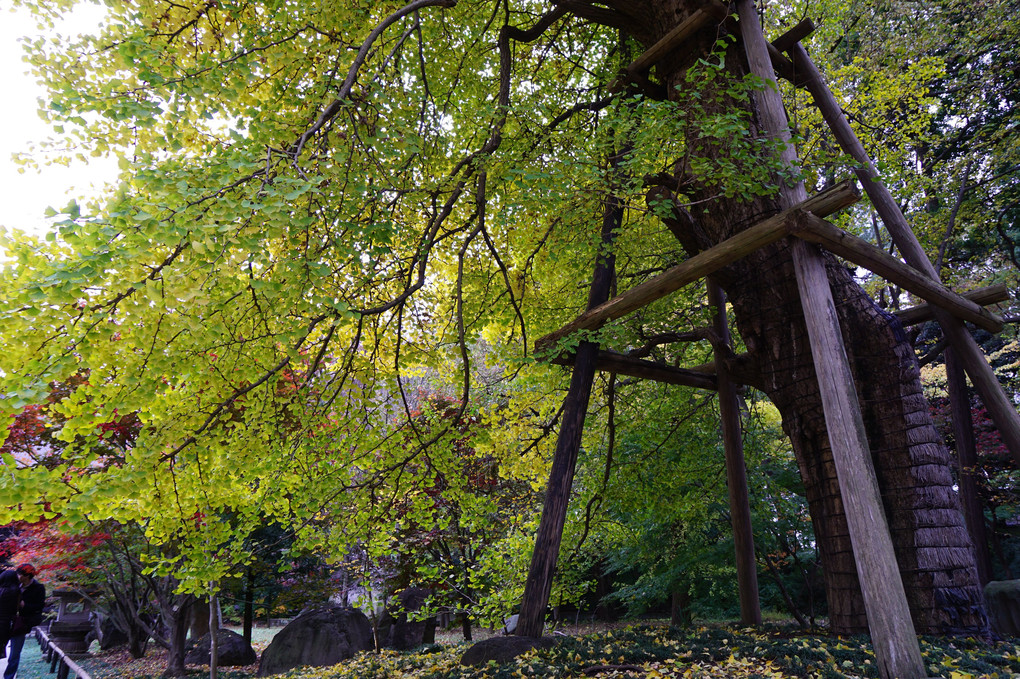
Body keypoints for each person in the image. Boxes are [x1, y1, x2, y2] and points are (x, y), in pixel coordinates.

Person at [0, 565, 46, 679]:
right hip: (5, 622)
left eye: (19, 574)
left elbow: (39, 606)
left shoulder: (38, 588)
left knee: (14, 654)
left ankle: (9, 677)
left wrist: (24, 605)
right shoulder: (10, 585)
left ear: (27, 576)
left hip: (20, 624)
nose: (17, 576)